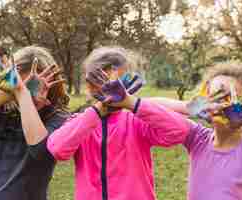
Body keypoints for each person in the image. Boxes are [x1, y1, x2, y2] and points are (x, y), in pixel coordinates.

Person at [16, 46, 191, 200]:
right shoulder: (81, 122)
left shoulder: (137, 120)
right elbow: (57, 149)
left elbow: (180, 131)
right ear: (90, 85)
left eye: (118, 83)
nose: (112, 89)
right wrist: (99, 110)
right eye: (102, 82)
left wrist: (131, 103)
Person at [0, 46, 69, 200]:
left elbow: (41, 151)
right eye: (21, 85)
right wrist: (10, 91)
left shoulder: (59, 118)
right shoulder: (5, 109)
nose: (24, 91)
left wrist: (23, 95)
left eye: (33, 85)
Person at [150, 62, 242, 200]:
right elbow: (149, 107)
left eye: (230, 99)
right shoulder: (198, 138)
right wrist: (189, 107)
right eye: (214, 98)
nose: (220, 106)